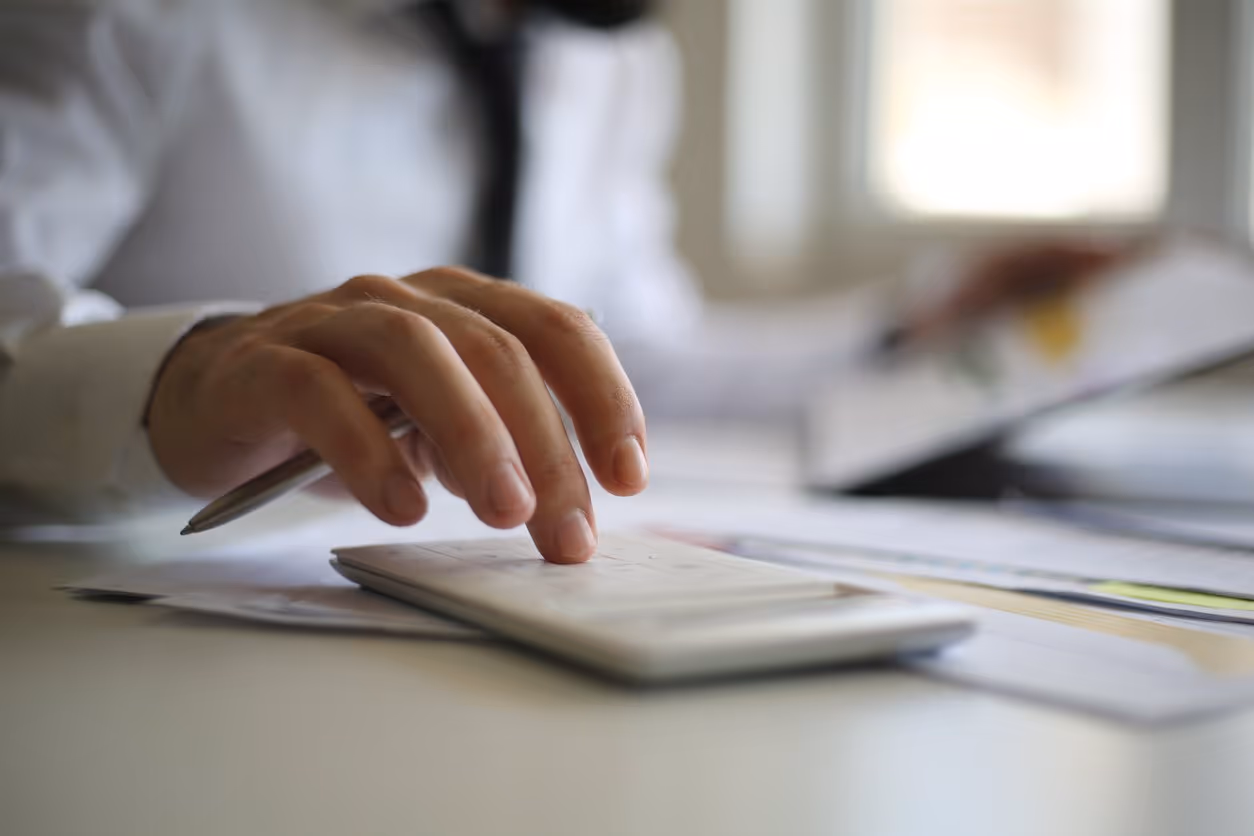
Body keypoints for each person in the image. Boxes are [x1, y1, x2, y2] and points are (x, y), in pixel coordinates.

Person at [0, 0, 1126, 563]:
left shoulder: (609, 54)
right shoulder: (132, 20)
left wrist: (922, 332)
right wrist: (175, 381)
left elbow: (632, 351)